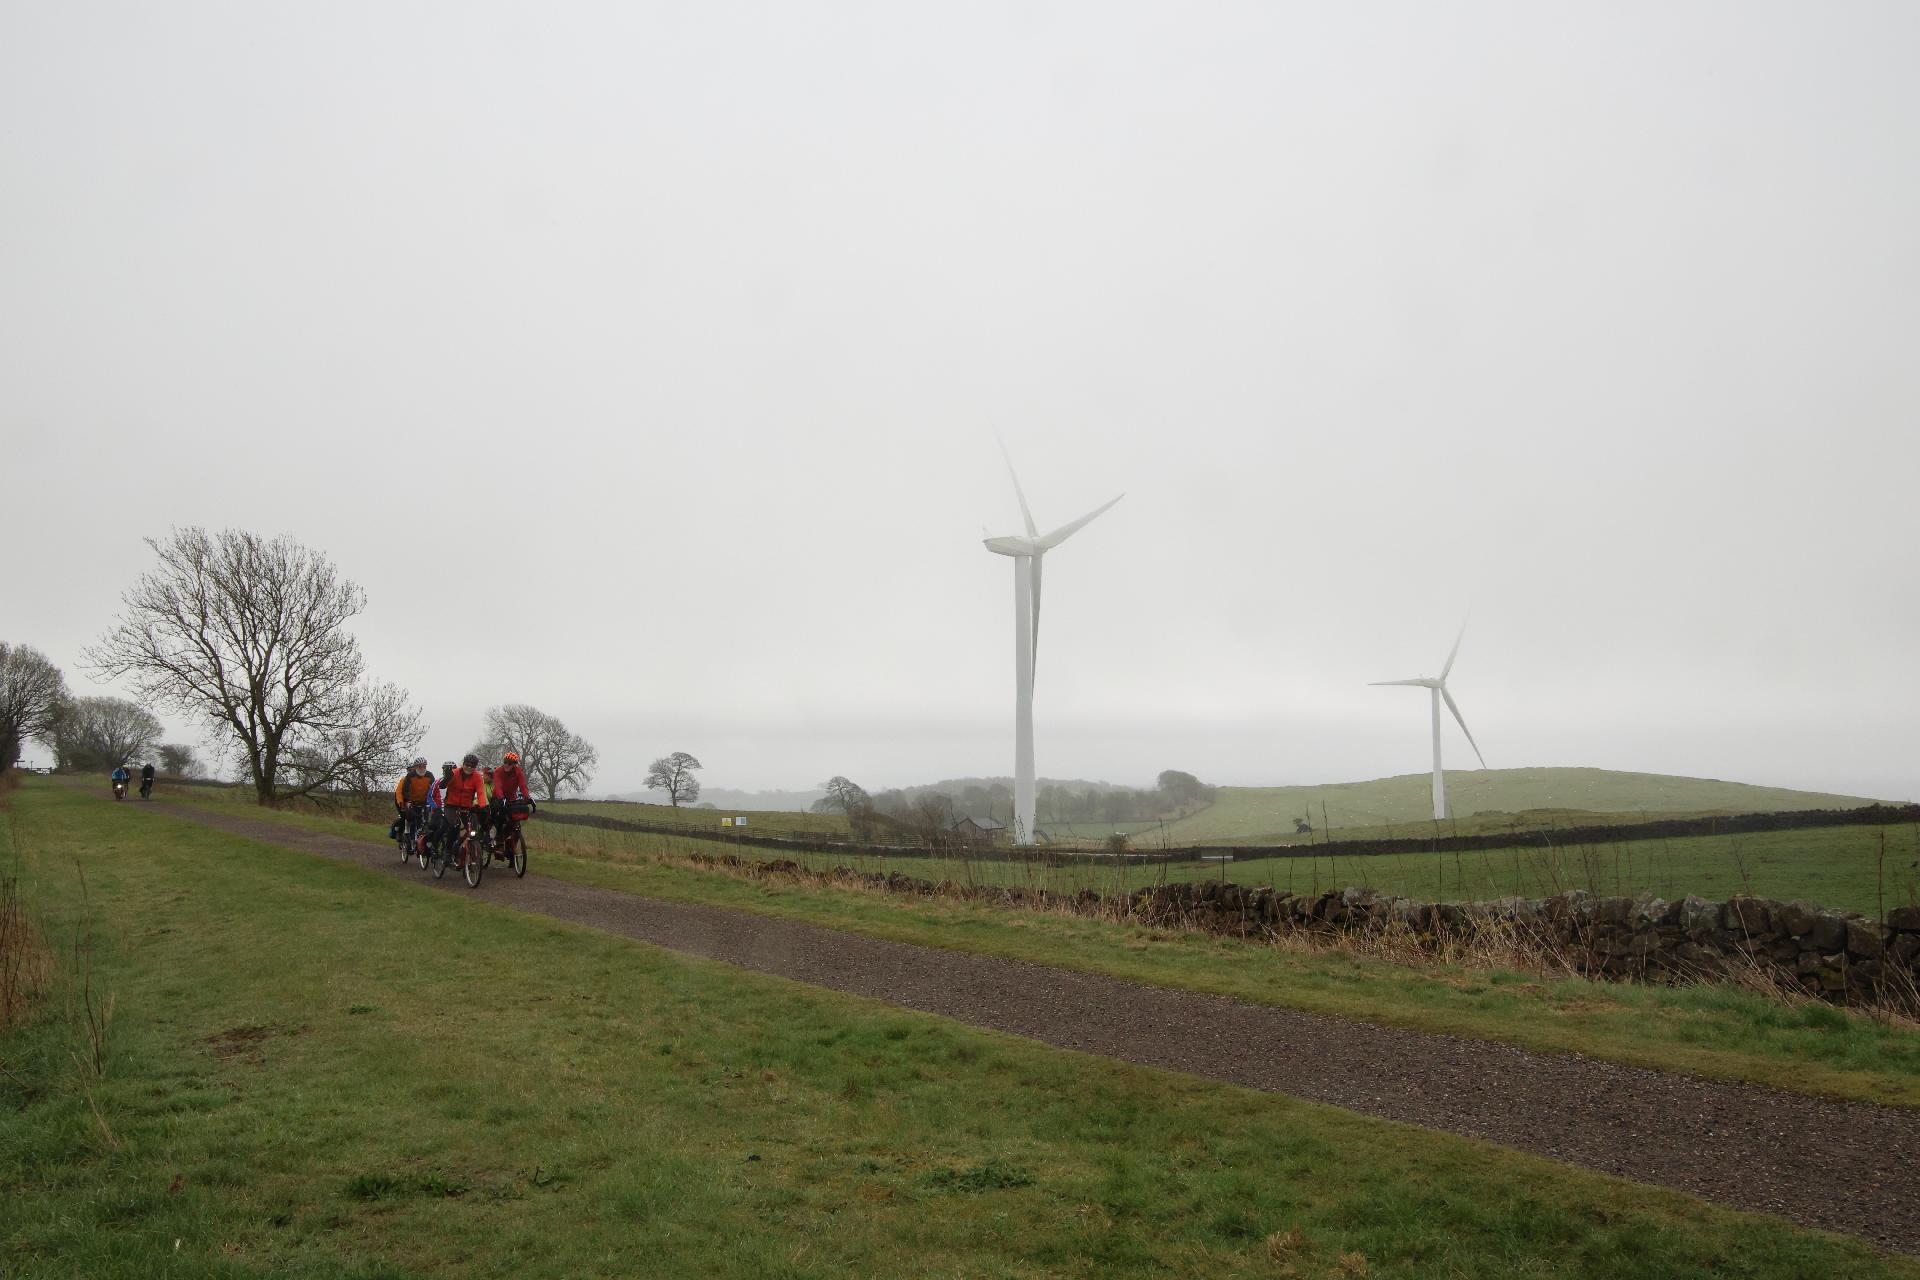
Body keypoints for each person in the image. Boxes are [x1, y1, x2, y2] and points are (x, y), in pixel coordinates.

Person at [442, 753, 491, 852]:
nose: (469, 767)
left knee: (473, 830)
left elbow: (480, 793)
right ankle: (448, 851)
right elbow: (442, 786)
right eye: (467, 765)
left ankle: (472, 850)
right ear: (463, 764)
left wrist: (483, 806)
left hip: (466, 807)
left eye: (472, 766)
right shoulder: (454, 773)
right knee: (455, 826)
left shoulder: (477, 777)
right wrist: (447, 778)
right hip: (451, 806)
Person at [392, 756, 438, 844]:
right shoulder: (405, 779)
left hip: (422, 801)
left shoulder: (429, 776)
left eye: (424, 766)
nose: (421, 769)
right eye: (410, 770)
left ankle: (422, 835)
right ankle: (402, 833)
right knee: (406, 816)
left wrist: (433, 801)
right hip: (406, 801)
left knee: (424, 818)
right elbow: (400, 793)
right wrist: (402, 803)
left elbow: (433, 789)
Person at [489, 750, 535, 835]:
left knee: (513, 818)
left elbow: (523, 786)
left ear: (514, 764)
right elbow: (498, 786)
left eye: (509, 763)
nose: (506, 765)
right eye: (505, 762)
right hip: (498, 797)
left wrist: (528, 797)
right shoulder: (498, 771)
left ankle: (508, 834)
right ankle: (494, 833)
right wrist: (501, 798)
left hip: (511, 798)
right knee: (497, 815)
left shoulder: (518, 771)